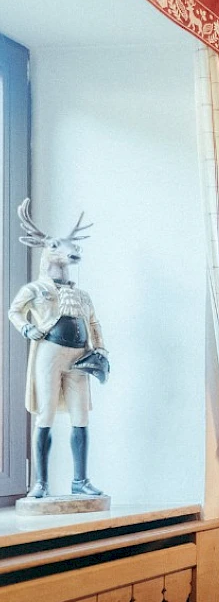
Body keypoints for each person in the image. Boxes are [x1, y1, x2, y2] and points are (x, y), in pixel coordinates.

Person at [8, 200, 110, 499]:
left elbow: (93, 322)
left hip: (80, 357)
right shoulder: (34, 289)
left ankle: (80, 480)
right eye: (56, 246)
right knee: (46, 414)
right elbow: (14, 312)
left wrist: (101, 349)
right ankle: (40, 483)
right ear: (47, 251)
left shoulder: (82, 294)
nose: (67, 251)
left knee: (81, 416)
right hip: (49, 353)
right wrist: (28, 328)